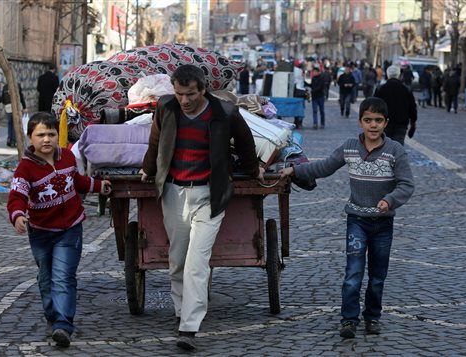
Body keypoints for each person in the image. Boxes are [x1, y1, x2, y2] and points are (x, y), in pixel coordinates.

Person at [139, 64, 264, 351]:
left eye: (190, 94)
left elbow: (245, 142)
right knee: (178, 260)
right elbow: (156, 140)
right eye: (180, 93)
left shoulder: (224, 112)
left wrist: (253, 169)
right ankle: (182, 311)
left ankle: (189, 327)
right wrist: (148, 168)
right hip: (173, 191)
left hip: (210, 194)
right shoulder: (166, 107)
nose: (185, 100)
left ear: (202, 89)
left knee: (197, 263)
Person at [278, 97, 414, 339]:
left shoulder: (395, 151)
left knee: (377, 276)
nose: (373, 125)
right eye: (368, 120)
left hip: (383, 224)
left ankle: (372, 317)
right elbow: (325, 167)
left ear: (386, 123)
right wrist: (294, 170)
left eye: (378, 121)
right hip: (357, 221)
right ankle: (349, 319)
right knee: (353, 273)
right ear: (360, 121)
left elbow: (406, 184)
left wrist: (390, 200)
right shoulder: (350, 147)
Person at [7, 112, 112, 347]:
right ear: (30, 138)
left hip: (70, 228)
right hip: (41, 232)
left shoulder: (66, 157)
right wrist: (17, 216)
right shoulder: (25, 169)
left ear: (58, 136)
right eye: (40, 135)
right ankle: (53, 315)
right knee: (46, 278)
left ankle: (63, 324)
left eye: (51, 134)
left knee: (63, 277)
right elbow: (16, 196)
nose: (46, 139)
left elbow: (78, 181)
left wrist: (99, 186)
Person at [374, 65, 417, 145]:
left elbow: (374, 107)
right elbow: (412, 108)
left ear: (387, 75)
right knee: (398, 150)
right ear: (399, 75)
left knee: (384, 148)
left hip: (384, 124)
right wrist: (413, 124)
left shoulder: (380, 89)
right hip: (401, 124)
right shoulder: (406, 89)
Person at [2, 82, 27, 147]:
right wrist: (24, 107)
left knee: (10, 124)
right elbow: (21, 97)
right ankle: (14, 141)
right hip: (16, 106)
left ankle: (10, 139)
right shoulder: (17, 85)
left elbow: (2, 99)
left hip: (8, 107)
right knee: (15, 124)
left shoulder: (5, 86)